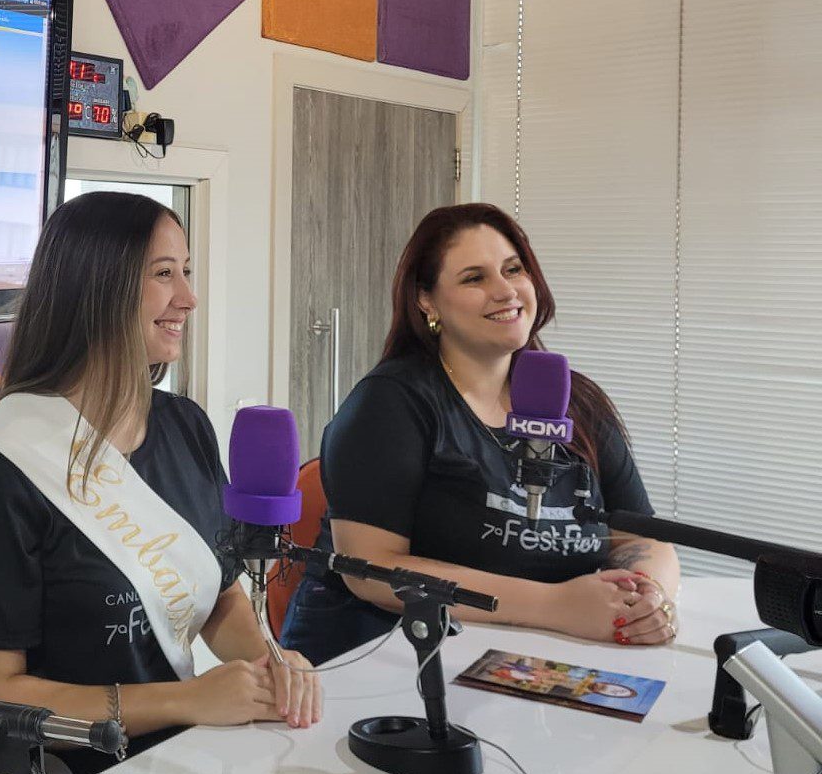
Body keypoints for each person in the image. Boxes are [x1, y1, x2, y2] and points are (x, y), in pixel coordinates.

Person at [0, 192, 320, 774]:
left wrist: (269, 663)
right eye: (164, 274)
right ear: (98, 287)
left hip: (184, 762)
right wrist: (187, 700)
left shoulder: (185, 425)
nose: (188, 298)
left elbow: (220, 595)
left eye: (187, 272)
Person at [281, 203, 681, 664]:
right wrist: (554, 606)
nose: (505, 291)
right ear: (427, 301)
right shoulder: (389, 403)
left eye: (514, 269)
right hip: (386, 659)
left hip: (541, 656)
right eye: (475, 278)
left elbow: (641, 539)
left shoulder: (579, 402)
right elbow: (370, 570)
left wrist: (646, 598)